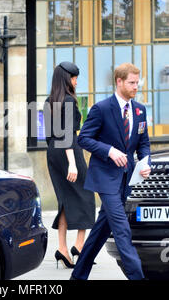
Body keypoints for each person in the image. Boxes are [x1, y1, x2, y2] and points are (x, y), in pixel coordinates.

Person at [70, 63, 151, 280]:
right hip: (105, 179)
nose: (136, 87)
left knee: (100, 232)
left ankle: (77, 277)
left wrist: (146, 162)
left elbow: (143, 142)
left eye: (137, 82)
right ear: (119, 81)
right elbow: (83, 138)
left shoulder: (140, 110)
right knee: (122, 230)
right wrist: (109, 151)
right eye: (132, 83)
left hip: (126, 180)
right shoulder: (102, 108)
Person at [44, 62, 96, 269]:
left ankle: (63, 249)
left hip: (53, 152)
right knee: (86, 195)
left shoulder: (49, 101)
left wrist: (56, 155)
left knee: (65, 200)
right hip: (68, 150)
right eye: (74, 77)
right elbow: (67, 134)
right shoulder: (68, 100)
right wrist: (72, 163)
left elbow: (49, 136)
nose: (76, 81)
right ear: (67, 79)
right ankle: (79, 245)